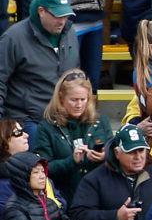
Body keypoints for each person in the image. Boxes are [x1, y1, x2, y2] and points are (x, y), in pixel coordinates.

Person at [0, 0, 80, 132]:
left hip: (64, 117)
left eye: (66, 16)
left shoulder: (70, 33)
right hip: (27, 119)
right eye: (57, 15)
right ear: (41, 11)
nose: (62, 21)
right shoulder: (13, 38)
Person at [31, 70, 112, 204]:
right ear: (61, 98)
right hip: (63, 197)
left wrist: (105, 157)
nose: (79, 105)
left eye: (83, 99)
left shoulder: (101, 122)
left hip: (98, 196)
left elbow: (116, 156)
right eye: (73, 100)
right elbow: (43, 169)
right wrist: (71, 161)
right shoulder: (47, 127)